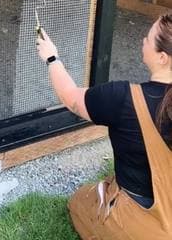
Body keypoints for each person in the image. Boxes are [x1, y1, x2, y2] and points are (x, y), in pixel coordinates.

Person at [36, 14, 172, 239]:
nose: (143, 40)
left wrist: (52, 58)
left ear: (162, 57)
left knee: (79, 201)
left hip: (144, 222)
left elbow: (71, 98)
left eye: (148, 38)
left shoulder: (125, 98)